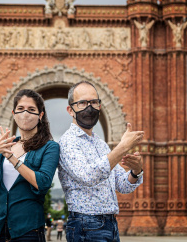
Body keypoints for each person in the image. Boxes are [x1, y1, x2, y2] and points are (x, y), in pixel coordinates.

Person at [58, 81, 145, 242]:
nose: (89, 107)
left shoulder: (101, 144)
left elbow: (121, 184)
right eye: (83, 103)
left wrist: (136, 171)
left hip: (110, 223)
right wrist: (123, 147)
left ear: (99, 106)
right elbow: (88, 176)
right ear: (70, 110)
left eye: (94, 102)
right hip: (85, 224)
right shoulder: (68, 142)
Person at [0, 89, 60, 242]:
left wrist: (12, 158)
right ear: (14, 114)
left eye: (31, 110)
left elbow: (42, 182)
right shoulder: (6, 145)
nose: (25, 114)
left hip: (28, 230)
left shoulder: (50, 147)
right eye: (20, 109)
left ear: (40, 115)